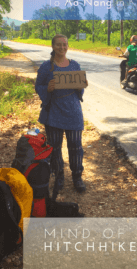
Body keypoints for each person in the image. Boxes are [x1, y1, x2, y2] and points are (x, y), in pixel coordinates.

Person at [35, 34, 88, 195]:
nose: (62, 48)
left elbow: (80, 90)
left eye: (64, 45)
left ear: (68, 46)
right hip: (53, 114)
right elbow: (38, 86)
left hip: (73, 112)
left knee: (76, 146)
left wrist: (82, 86)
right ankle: (59, 176)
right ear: (53, 47)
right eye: (58, 45)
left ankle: (77, 176)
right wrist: (47, 89)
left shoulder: (75, 65)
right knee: (55, 148)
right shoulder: (46, 67)